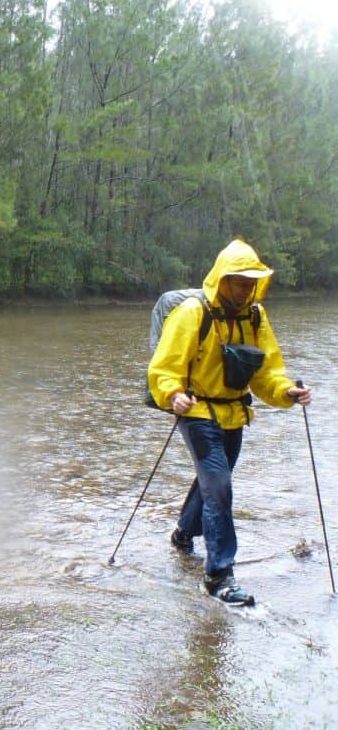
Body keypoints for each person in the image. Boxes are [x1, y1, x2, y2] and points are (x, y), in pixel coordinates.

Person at [148, 239, 311, 606]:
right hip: (197, 411)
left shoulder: (255, 317)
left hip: (235, 412)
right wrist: (173, 394)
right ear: (221, 279)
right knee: (218, 485)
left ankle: (182, 535)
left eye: (249, 282)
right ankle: (218, 575)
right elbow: (164, 366)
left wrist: (286, 392)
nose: (243, 288)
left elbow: (267, 372)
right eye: (237, 281)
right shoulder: (192, 313)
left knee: (213, 482)